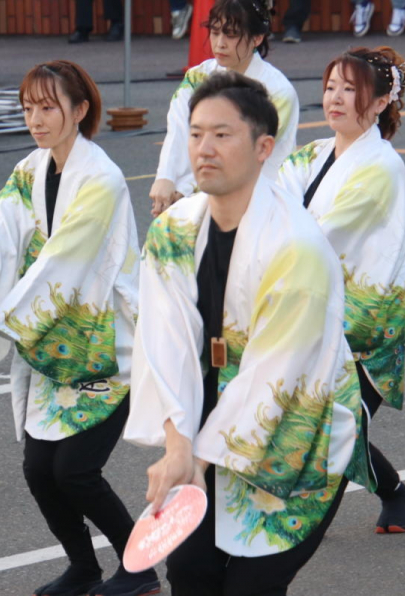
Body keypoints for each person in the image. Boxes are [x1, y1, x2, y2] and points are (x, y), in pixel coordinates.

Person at [126, 71, 366, 596]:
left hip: (298, 429)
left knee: (251, 587)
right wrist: (178, 444)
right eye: (195, 134)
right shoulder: (172, 230)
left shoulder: (297, 247)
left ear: (264, 148)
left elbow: (275, 373)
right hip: (206, 420)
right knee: (190, 572)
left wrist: (196, 458)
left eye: (222, 134)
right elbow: (164, 340)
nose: (204, 149)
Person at [0, 60, 159, 596]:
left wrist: (0, 323)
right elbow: (0, 232)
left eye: (47, 107)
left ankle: (140, 569)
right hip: (50, 343)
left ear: (79, 109)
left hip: (103, 345)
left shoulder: (102, 179)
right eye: (28, 108)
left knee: (76, 472)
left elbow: (64, 261)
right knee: (40, 470)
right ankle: (83, 567)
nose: (35, 119)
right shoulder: (30, 169)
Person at [276, 47, 405, 533]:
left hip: (362, 320)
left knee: (335, 425)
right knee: (321, 422)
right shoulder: (312, 155)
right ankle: (392, 489)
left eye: (350, 89)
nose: (335, 98)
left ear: (378, 102)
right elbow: (271, 206)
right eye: (331, 86)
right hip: (305, 307)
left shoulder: (382, 167)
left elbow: (319, 235)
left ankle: (298, 533)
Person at [150, 0, 299, 216]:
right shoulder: (197, 77)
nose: (220, 43)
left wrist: (184, 191)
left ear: (257, 38)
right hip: (199, 192)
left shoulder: (277, 92)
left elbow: (243, 155)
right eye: (215, 31)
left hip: (258, 201)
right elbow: (179, 130)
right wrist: (166, 178)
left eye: (231, 35)